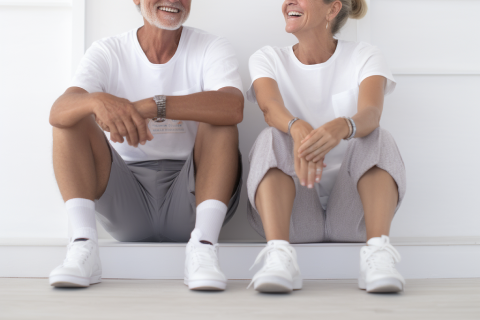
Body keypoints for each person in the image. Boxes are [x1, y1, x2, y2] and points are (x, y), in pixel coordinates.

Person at [48, 0, 244, 291]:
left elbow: (234, 107)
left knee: (220, 118)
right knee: (72, 117)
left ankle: (203, 247)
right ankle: (82, 246)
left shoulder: (210, 46)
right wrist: (96, 100)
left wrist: (155, 105)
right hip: (127, 199)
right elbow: (58, 111)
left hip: (190, 195)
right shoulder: (109, 50)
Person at [246, 0, 406, 293]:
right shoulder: (267, 57)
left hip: (352, 216)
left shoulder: (365, 55)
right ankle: (279, 256)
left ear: (332, 10)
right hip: (295, 217)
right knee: (271, 136)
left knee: (377, 135)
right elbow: (269, 108)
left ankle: (379, 254)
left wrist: (343, 126)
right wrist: (297, 127)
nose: (288, 2)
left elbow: (371, 113)